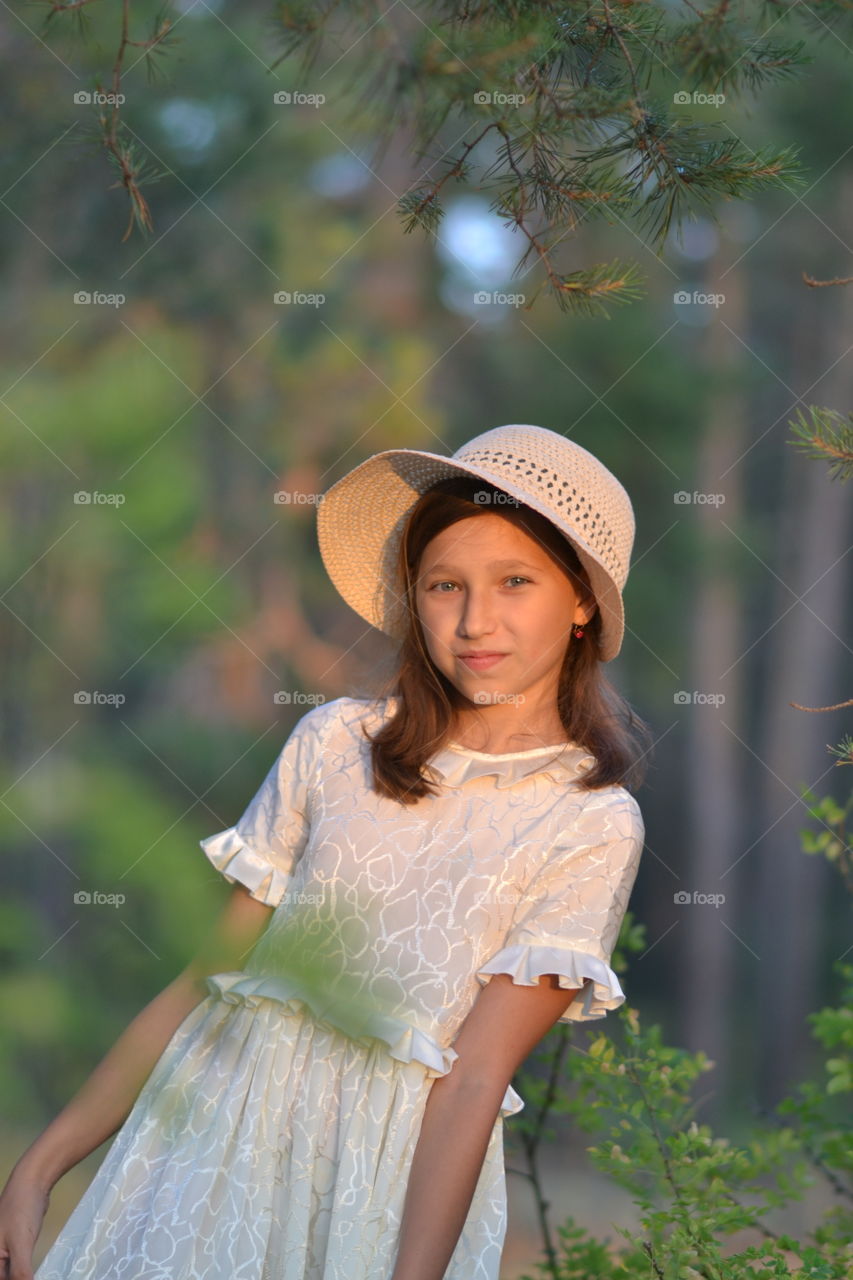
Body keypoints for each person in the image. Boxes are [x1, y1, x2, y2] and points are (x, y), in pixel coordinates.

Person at [0, 422, 653, 1280]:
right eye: (443, 585)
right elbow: (205, 983)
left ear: (580, 602)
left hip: (376, 1199)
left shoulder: (588, 821)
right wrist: (41, 1165)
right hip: (200, 1164)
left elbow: (472, 1082)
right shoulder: (334, 744)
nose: (474, 620)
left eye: (515, 582)